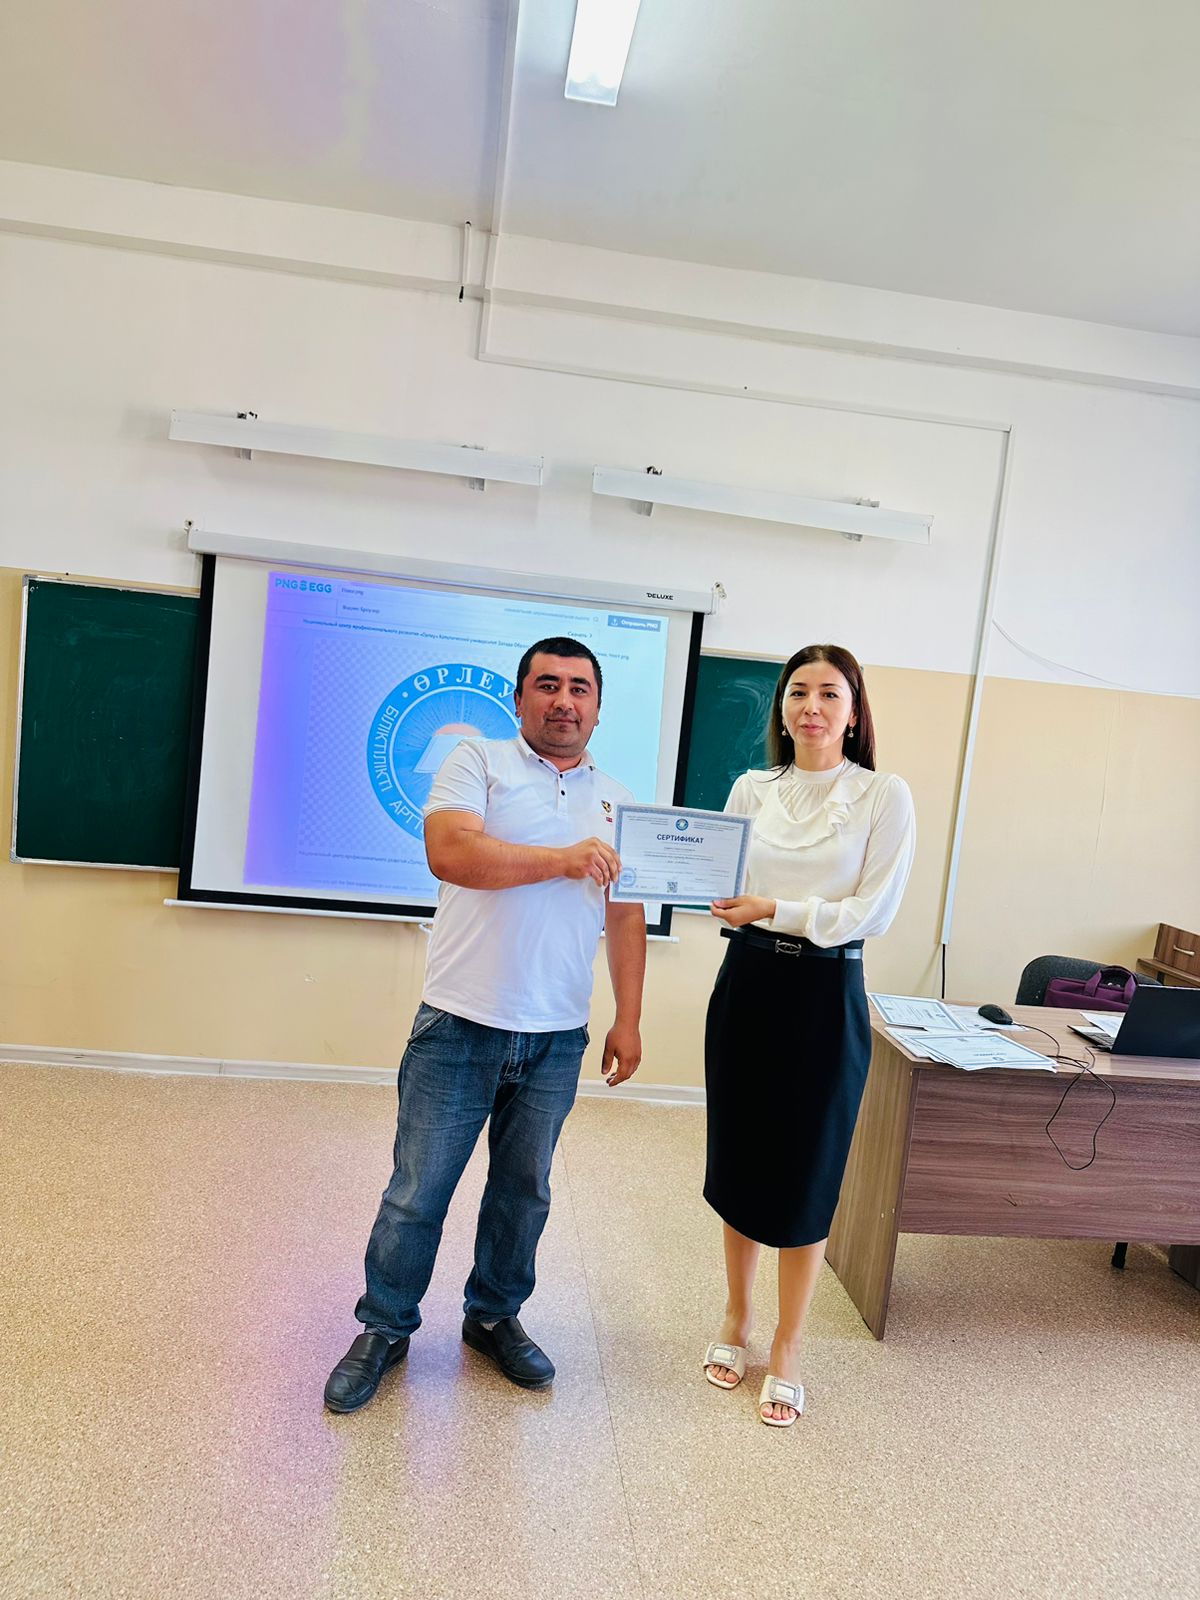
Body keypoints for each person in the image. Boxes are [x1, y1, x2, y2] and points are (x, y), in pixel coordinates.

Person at [325, 637, 646, 1412]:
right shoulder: (478, 762)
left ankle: (494, 1316)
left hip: (557, 1034)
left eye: (579, 688)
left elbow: (626, 914)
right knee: (417, 1191)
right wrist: (562, 859)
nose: (563, 701)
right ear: (520, 697)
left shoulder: (619, 802)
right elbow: (451, 854)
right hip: (460, 1022)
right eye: (548, 685)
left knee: (523, 1192)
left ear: (598, 707)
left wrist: (628, 1019)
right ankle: (385, 1326)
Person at [700, 644, 915, 1426]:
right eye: (798, 692)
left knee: (807, 1170)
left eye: (829, 693)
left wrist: (776, 910)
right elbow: (720, 886)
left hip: (826, 993)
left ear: (853, 712)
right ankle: (736, 1317)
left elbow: (871, 912)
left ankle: (788, 1344)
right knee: (740, 1158)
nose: (812, 707)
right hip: (748, 984)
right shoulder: (750, 789)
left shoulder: (882, 794)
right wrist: (673, 864)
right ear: (782, 708)